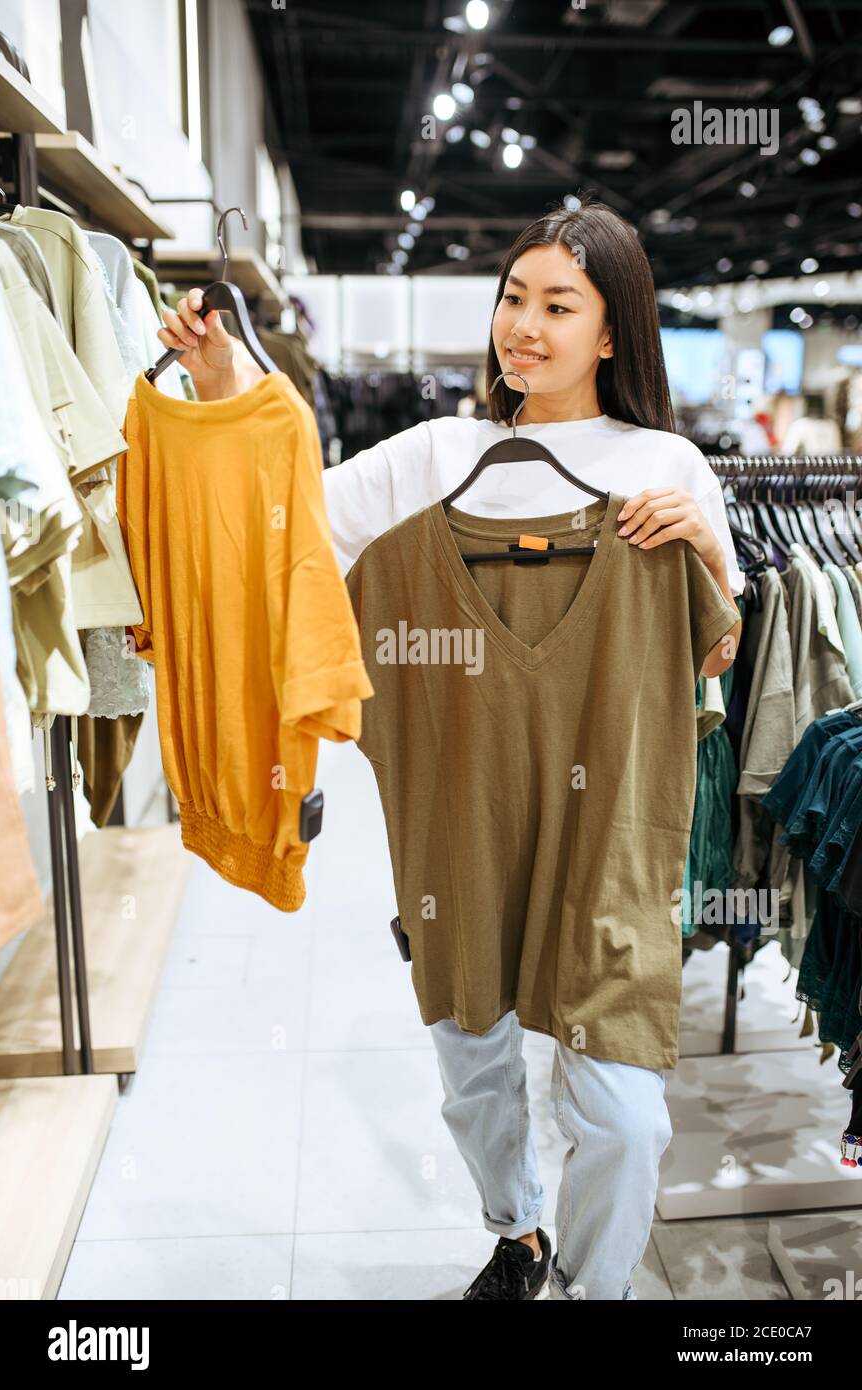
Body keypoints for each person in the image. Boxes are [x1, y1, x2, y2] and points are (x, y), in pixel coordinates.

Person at [156, 194, 744, 1300]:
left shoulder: (665, 468)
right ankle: (514, 1232)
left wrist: (709, 544)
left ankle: (596, 1286)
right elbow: (286, 529)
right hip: (457, 829)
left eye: (558, 304)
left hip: (611, 831)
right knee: (475, 1065)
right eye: (513, 298)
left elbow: (716, 651)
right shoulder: (432, 458)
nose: (525, 324)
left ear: (612, 330)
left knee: (622, 1110)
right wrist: (225, 392)